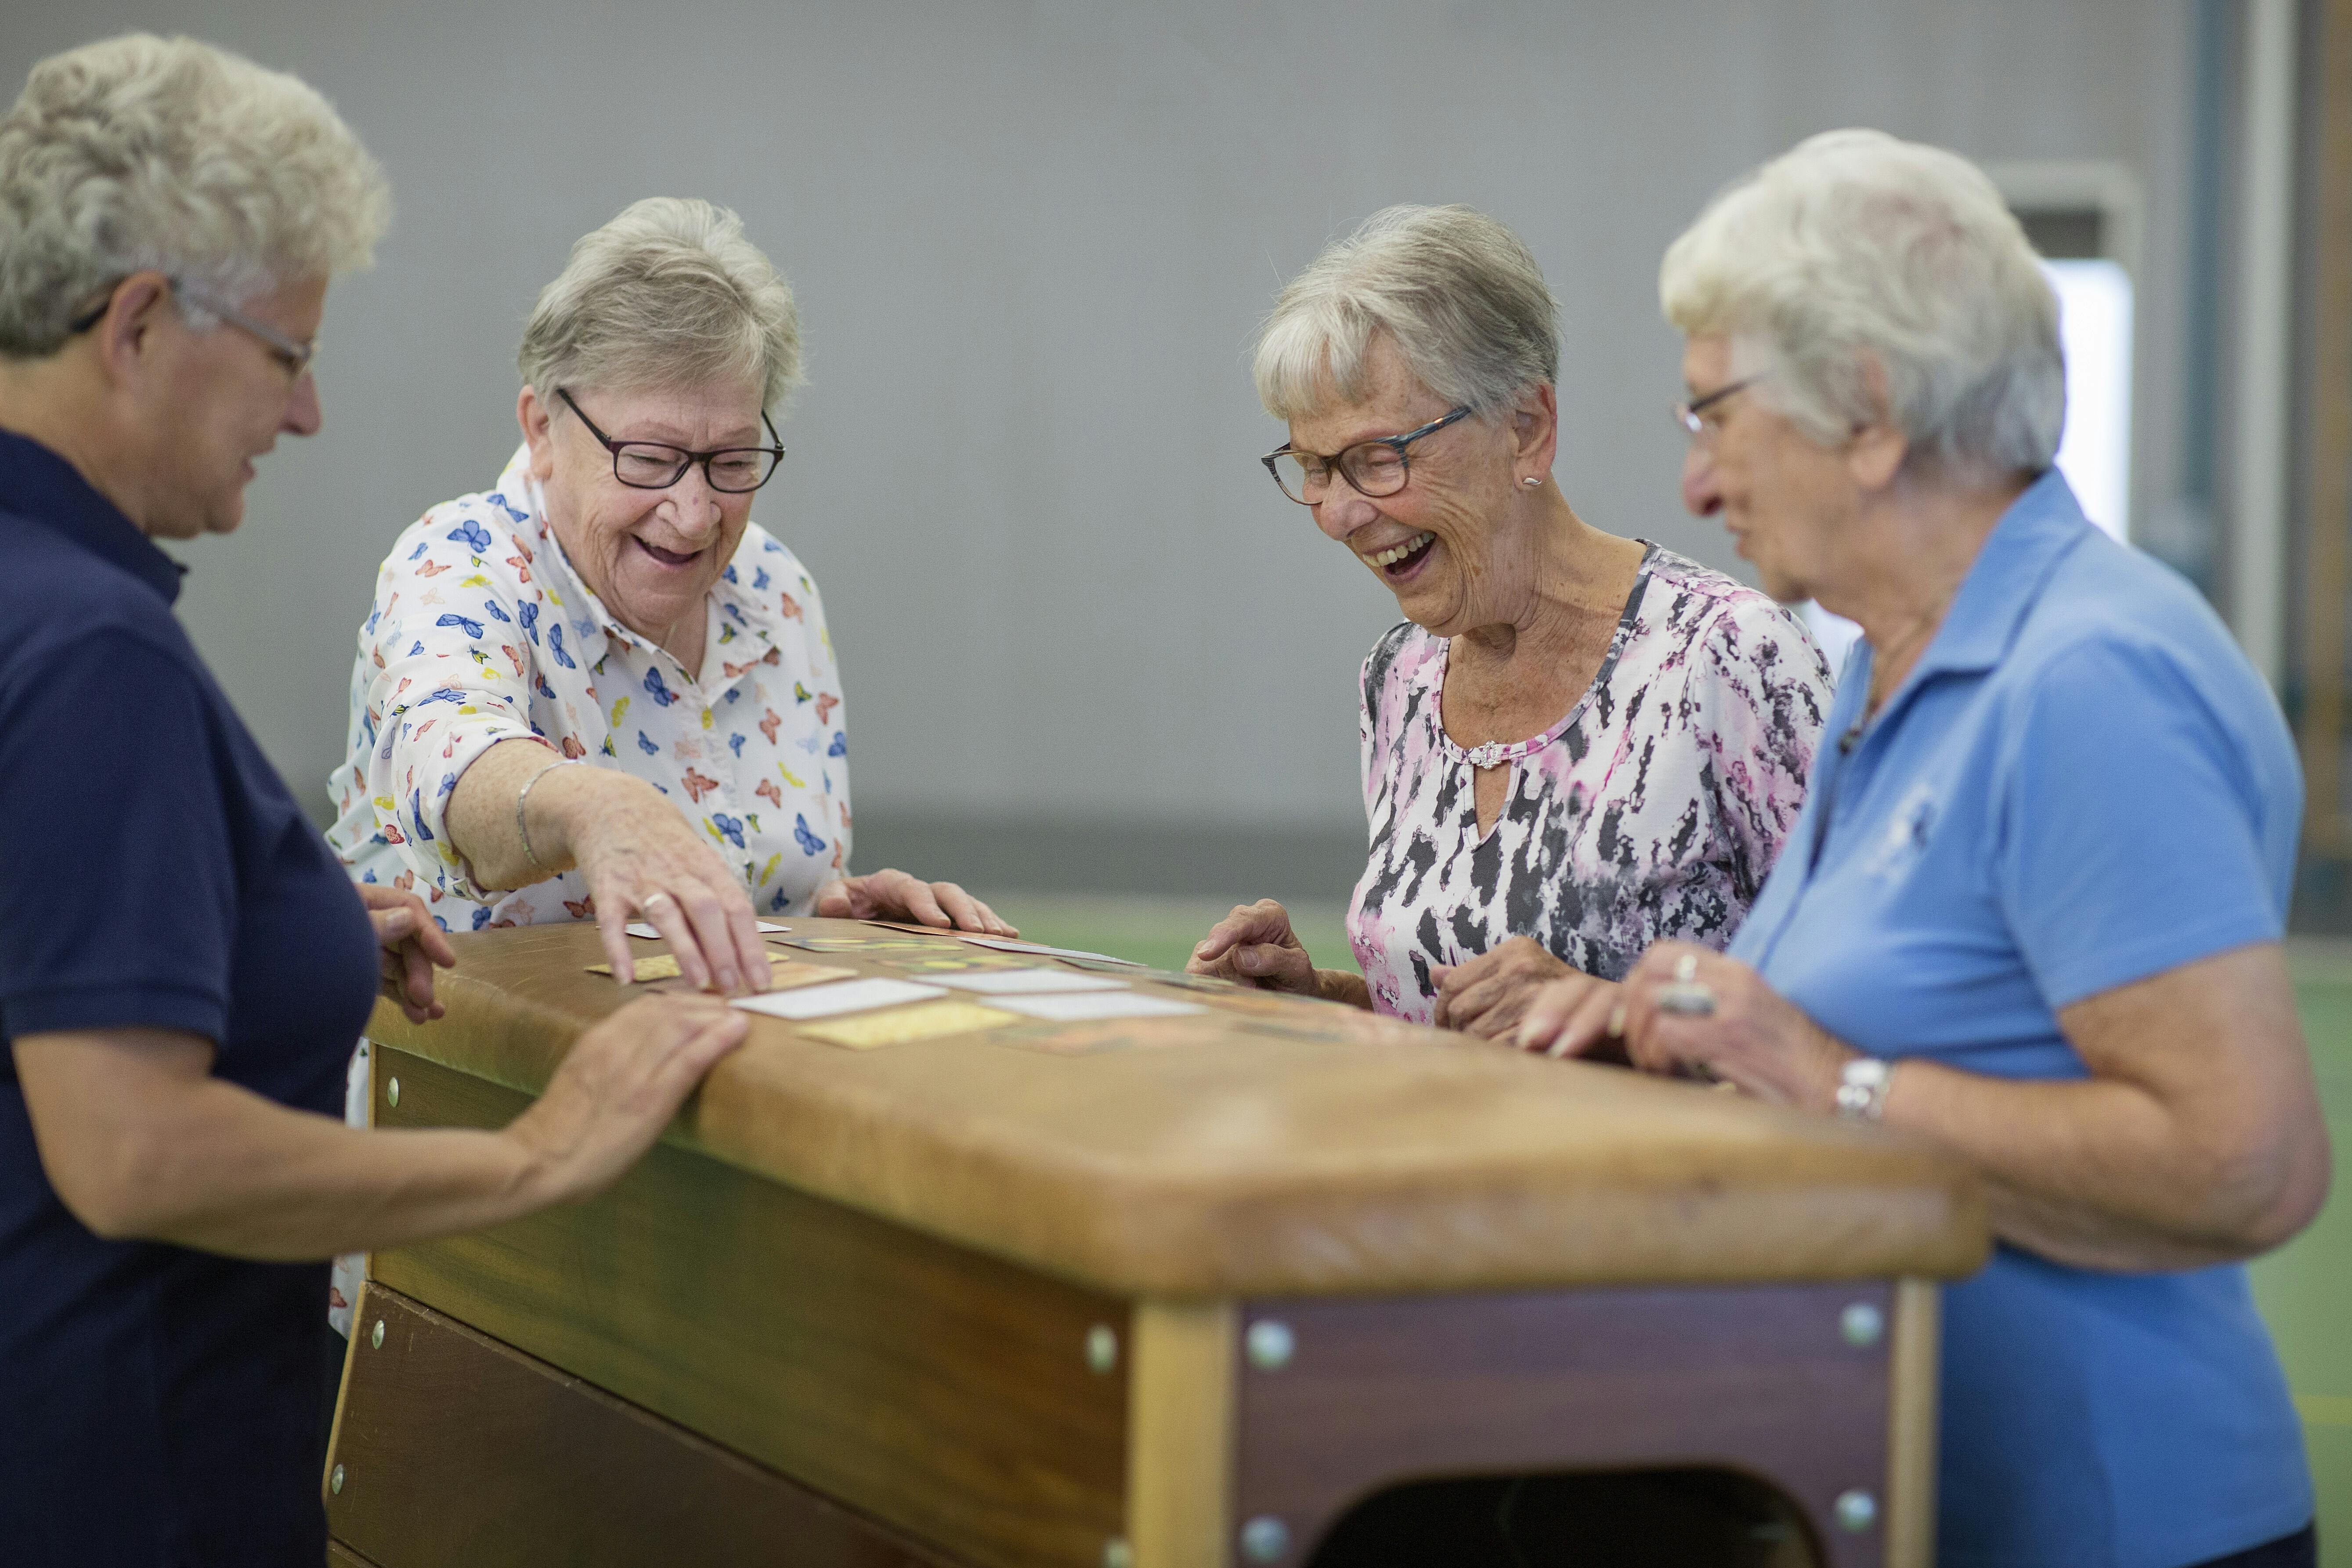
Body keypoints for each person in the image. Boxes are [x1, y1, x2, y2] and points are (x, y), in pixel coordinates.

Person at [1518, 130, 2328, 1568]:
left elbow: (2242, 1164)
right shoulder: (1883, 672)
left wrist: (1832, 1080)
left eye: (1712, 417)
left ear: (1870, 414)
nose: (1696, 485)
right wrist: (1686, 1026)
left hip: (2112, 1524)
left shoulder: (2083, 678)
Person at [0, 36, 751, 1567]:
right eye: (287, 356)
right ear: (141, 323)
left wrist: (273, 926)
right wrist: (534, 1158)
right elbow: (133, 1151)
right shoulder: (92, 649)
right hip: (123, 1475)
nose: (308, 415)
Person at [326, 198, 1012, 997]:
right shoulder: (462, 562)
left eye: (732, 460)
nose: (693, 516)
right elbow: (452, 772)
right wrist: (597, 807)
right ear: (542, 428)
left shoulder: (773, 589)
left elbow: (755, 890)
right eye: (649, 459)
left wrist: (839, 921)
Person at [1187, 205, 1830, 1035]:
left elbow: (1857, 1025)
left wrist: (1619, 1020)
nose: (1338, 514)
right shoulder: (1401, 677)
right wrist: (1322, 1001)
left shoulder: (1731, 659)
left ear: (1526, 428)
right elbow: (1450, 1019)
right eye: (1313, 468)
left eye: (1376, 460)